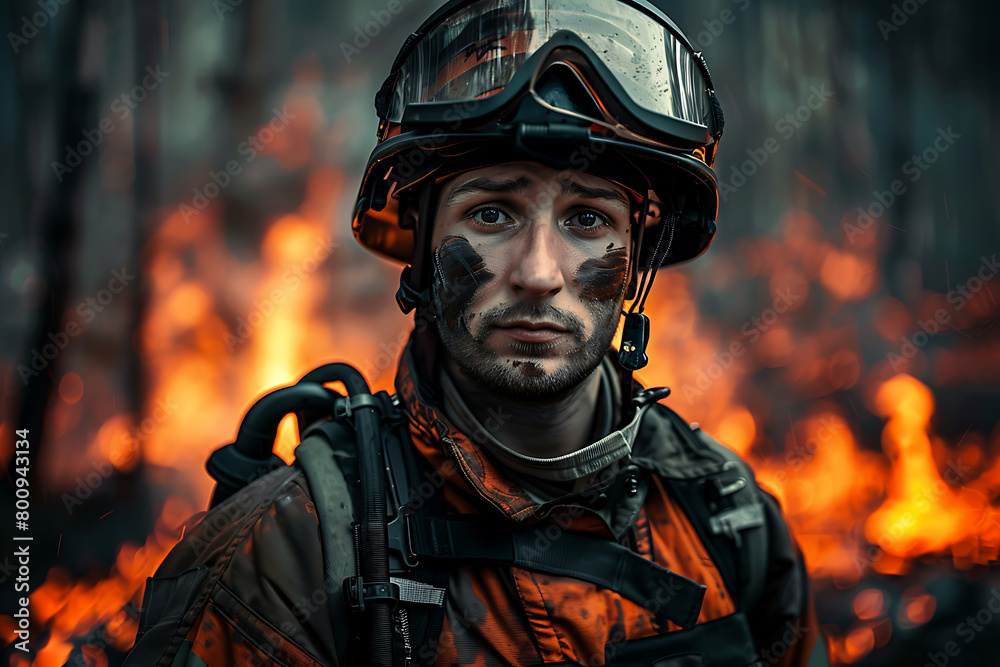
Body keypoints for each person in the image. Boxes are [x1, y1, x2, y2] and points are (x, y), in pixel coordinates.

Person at [126, 1, 828, 665]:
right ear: (422, 247)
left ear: (637, 259)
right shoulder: (286, 553)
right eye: (492, 213)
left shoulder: (727, 519)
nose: (538, 273)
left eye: (588, 219)